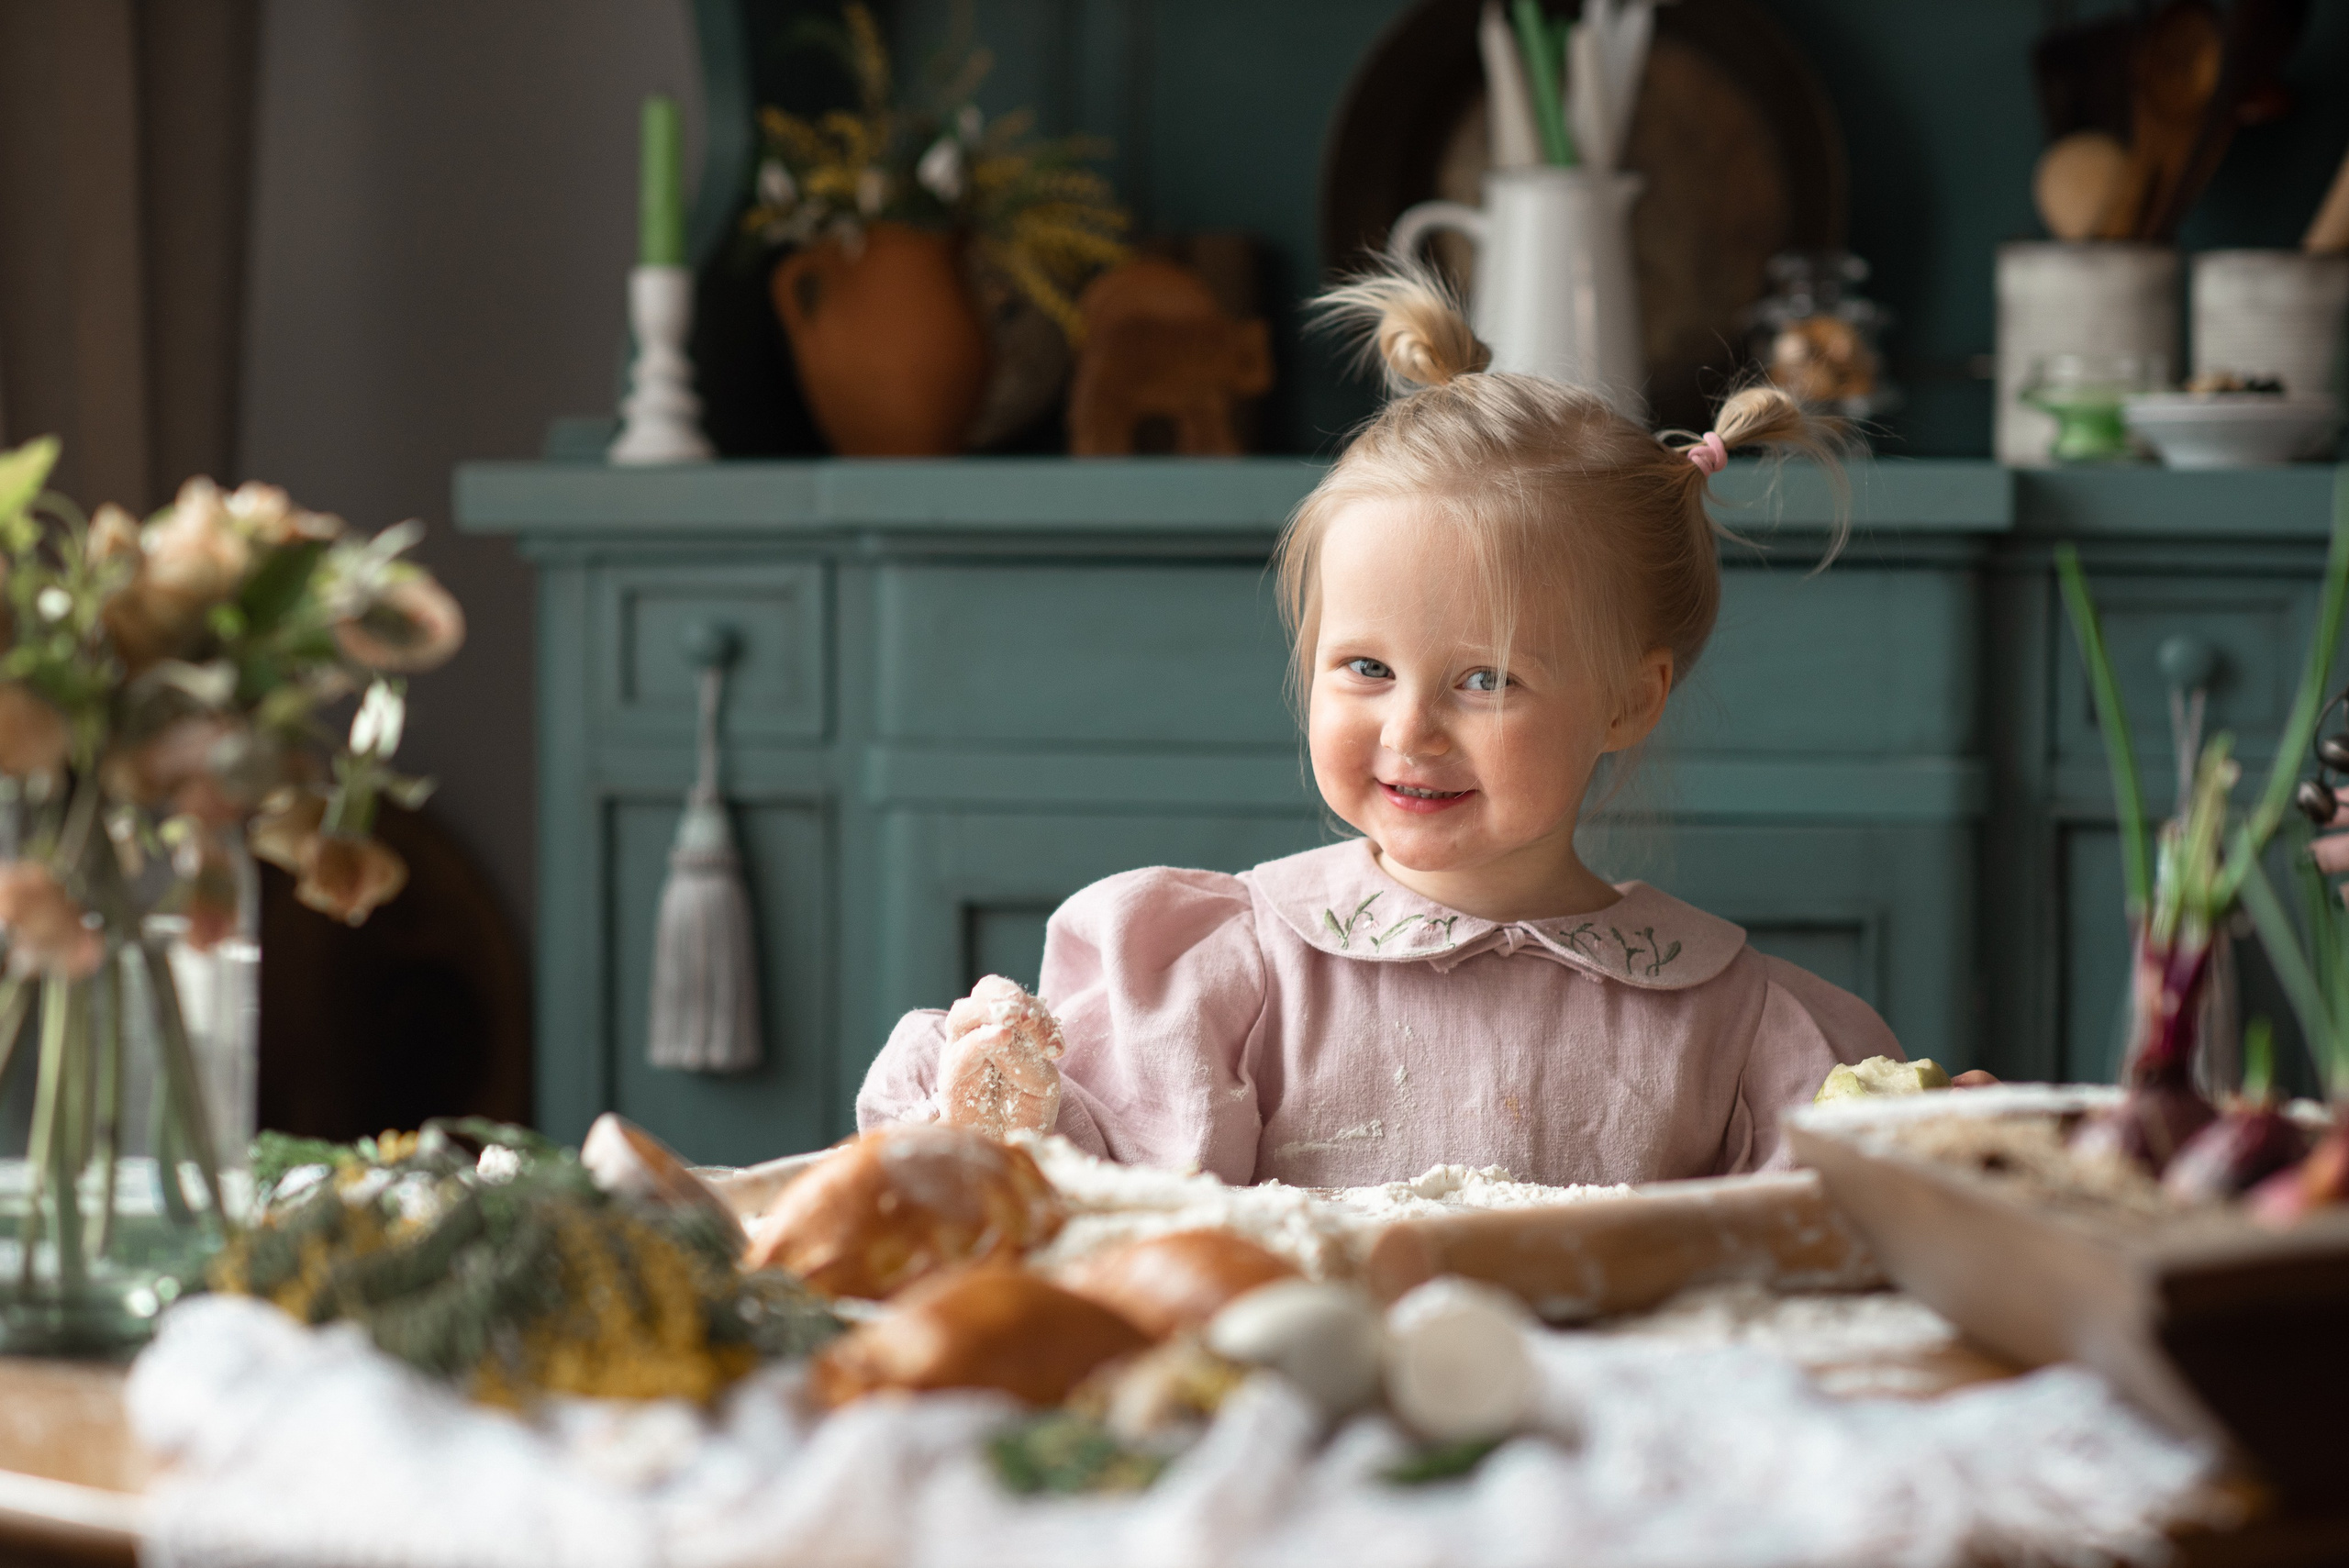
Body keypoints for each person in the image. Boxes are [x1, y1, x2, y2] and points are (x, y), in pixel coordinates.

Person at [857, 265, 1903, 1187]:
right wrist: (997, 1107)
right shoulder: (1236, 974)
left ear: (1630, 698)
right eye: (1364, 667)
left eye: (1485, 679)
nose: (1413, 728)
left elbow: (1828, 1238)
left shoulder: (1732, 1022)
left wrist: (1932, 1148)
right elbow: (1102, 1202)